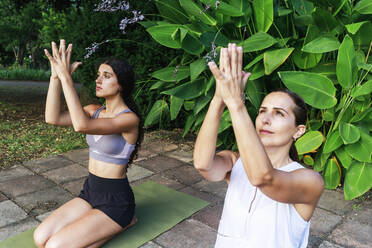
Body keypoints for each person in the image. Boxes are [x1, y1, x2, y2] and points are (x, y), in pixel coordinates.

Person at [193, 43, 324, 248]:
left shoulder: (309, 181)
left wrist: (236, 103)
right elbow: (203, 164)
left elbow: (263, 177)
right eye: (263, 111)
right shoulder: (235, 161)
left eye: (279, 113)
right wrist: (219, 98)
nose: (266, 119)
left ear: (298, 131)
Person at [33, 40, 143, 248]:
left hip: (116, 201)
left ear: (121, 84)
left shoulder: (129, 120)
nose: (98, 80)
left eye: (107, 76)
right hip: (90, 191)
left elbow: (81, 126)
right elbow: (52, 118)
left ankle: (126, 219)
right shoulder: (94, 110)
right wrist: (56, 77)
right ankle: (116, 225)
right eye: (99, 74)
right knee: (40, 238)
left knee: (55, 246)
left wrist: (67, 77)